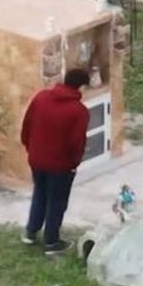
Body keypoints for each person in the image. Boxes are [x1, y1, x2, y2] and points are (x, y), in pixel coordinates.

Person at [20, 68, 90, 255]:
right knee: (57, 201)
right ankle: (51, 241)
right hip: (60, 165)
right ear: (81, 86)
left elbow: (27, 125)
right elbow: (77, 142)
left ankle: (31, 232)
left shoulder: (41, 97)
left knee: (40, 194)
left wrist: (30, 147)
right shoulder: (79, 111)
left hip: (36, 159)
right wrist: (74, 163)